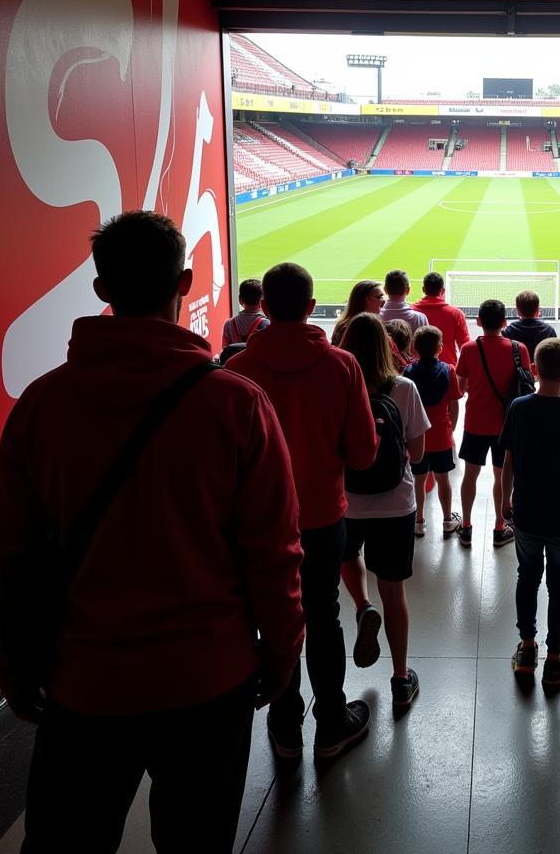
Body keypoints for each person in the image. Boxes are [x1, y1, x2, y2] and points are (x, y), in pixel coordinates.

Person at [0, 211, 304, 852]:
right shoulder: (238, 405)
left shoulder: (40, 406)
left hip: (83, 681)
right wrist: (281, 651)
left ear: (102, 290)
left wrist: (12, 660)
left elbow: (12, 553)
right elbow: (274, 555)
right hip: (208, 681)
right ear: (186, 282)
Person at [228, 262, 379, 761]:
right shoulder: (342, 366)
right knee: (324, 615)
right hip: (320, 517)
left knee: (271, 617)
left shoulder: (237, 370)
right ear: (312, 307)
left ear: (264, 309)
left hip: (258, 525)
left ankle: (284, 724)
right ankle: (331, 722)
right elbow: (363, 454)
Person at [339, 313, 430, 710]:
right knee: (394, 590)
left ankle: (362, 605)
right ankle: (399, 677)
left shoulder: (334, 386)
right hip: (396, 502)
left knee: (346, 557)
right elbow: (419, 453)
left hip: (343, 500)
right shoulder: (405, 388)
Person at [500, 339, 560, 688]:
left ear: (535, 370)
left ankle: (527, 647)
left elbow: (507, 462)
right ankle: (555, 656)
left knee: (527, 577)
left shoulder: (518, 408)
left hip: (526, 512)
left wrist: (504, 500)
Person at [455, 299, 533, 549]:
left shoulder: (468, 349)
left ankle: (466, 527)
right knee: (502, 477)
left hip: (476, 422)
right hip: (506, 425)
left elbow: (460, 387)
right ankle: (500, 527)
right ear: (504, 322)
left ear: (478, 321)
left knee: (470, 475)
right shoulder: (518, 348)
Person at [403, 325, 462, 538]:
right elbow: (454, 404)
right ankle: (447, 519)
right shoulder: (449, 370)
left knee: (418, 480)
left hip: (417, 437)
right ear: (440, 347)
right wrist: (452, 428)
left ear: (415, 349)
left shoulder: (407, 371)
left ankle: (419, 520)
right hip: (442, 436)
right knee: (443, 478)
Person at [413, 271, 470, 368]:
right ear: (442, 291)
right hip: (448, 370)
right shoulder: (456, 314)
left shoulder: (412, 312)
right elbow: (464, 346)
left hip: (416, 371)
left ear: (423, 289)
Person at [503, 289, 557, 358]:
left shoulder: (508, 331)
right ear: (538, 310)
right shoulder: (549, 331)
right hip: (542, 368)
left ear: (518, 311)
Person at [331, 279, 385, 346]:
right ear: (367, 299)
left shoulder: (341, 326)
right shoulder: (371, 327)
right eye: (380, 297)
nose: (383, 301)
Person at [221, 277, 269, 346]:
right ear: (262, 301)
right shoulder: (267, 324)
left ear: (240, 300)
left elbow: (225, 350)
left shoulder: (228, 324)